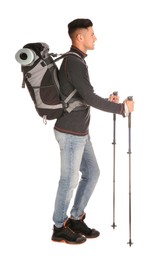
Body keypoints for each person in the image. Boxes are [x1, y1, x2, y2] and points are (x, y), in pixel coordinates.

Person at [51, 18, 134, 244]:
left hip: (79, 132)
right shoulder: (74, 62)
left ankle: (75, 218)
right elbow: (88, 98)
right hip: (70, 133)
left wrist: (108, 101)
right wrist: (121, 108)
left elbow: (82, 96)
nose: (95, 37)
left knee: (92, 173)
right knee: (68, 180)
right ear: (80, 37)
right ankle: (59, 227)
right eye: (91, 34)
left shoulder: (76, 60)